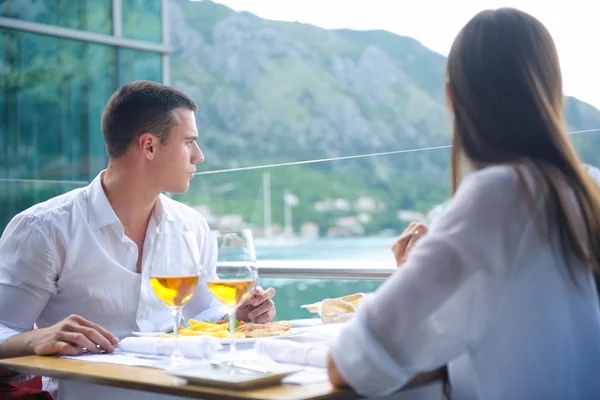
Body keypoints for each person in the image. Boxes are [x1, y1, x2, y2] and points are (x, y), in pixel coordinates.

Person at [327, 8, 600, 399]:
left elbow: (350, 362)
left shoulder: (498, 194)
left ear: (453, 99)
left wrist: (415, 280)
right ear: (555, 93)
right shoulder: (588, 186)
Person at [0, 81, 277, 392]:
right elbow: (3, 330)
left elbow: (203, 314)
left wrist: (239, 314)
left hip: (183, 391)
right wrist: (35, 337)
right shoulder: (45, 228)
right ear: (148, 146)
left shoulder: (191, 226)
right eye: (188, 142)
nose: (198, 156)